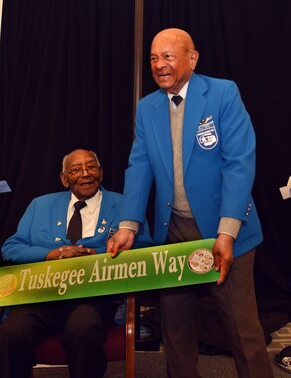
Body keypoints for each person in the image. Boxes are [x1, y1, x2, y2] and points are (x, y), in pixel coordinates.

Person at [107, 29, 274, 377]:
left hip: (226, 231)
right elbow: (139, 166)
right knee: (176, 328)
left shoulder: (223, 93)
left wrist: (227, 232)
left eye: (168, 56)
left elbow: (239, 163)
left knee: (242, 330)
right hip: (174, 232)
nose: (159, 65)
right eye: (154, 58)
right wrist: (128, 225)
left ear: (192, 58)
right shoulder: (147, 107)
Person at [0, 148, 152, 378]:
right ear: (64, 178)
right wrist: (50, 254)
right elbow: (11, 248)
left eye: (91, 167)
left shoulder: (125, 206)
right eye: (76, 169)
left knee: (84, 328)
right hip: (43, 297)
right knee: (12, 331)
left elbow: (144, 250)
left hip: (93, 299)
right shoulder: (39, 205)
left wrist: (97, 254)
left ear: (100, 172)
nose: (85, 173)